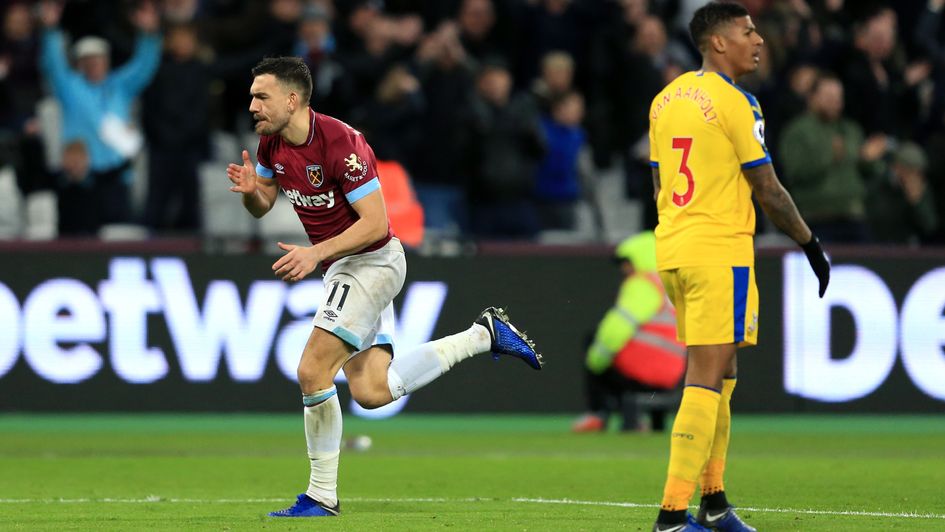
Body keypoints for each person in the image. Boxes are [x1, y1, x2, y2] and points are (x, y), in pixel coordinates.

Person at [225, 56, 543, 518]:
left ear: (293, 99)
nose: (252, 104)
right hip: (345, 267)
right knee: (372, 391)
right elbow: (265, 204)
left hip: (372, 260)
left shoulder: (341, 142)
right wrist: (254, 190)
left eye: (261, 95)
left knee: (312, 372)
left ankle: (320, 496)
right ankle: (484, 336)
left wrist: (314, 252)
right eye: (252, 95)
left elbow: (375, 224)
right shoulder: (272, 144)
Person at [647, 3, 830, 531]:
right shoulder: (736, 102)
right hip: (718, 251)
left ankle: (714, 502)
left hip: (676, 250)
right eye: (748, 31)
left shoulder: (665, 100)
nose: (759, 40)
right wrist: (809, 241)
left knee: (723, 373)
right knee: (705, 379)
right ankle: (672, 515)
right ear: (718, 42)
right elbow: (767, 188)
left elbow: (660, 184)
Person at [38, 0, 161, 227]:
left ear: (107, 60)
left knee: (119, 236)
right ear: (80, 63)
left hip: (117, 177)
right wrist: (50, 30)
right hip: (82, 178)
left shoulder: (121, 85)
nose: (94, 63)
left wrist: (149, 35)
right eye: (88, 59)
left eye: (99, 58)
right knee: (79, 241)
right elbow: (53, 64)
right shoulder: (70, 87)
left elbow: (144, 65)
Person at [572, 231, 685, 433]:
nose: (624, 269)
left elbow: (616, 328)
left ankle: (597, 414)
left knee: (594, 344)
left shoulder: (643, 284)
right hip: (671, 376)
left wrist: (596, 361)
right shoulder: (671, 286)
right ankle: (651, 421)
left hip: (639, 373)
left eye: (627, 262)